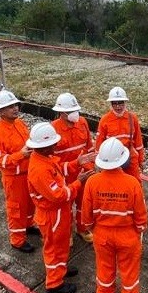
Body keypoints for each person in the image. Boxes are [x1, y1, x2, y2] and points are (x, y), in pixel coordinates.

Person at [82, 137, 148, 293]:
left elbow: (86, 214)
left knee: (104, 268)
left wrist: (90, 228)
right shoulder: (132, 183)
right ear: (123, 159)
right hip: (128, 236)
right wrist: (140, 229)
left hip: (102, 234)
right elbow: (141, 214)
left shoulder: (92, 182)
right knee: (129, 271)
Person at [27, 122, 95, 293]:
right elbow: (58, 195)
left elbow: (59, 171)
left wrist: (76, 162)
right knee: (54, 249)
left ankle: (61, 268)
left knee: (62, 245)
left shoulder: (45, 159)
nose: (56, 145)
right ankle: (54, 283)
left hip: (58, 213)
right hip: (52, 214)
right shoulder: (39, 169)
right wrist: (78, 182)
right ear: (44, 146)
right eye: (53, 143)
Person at [0, 89, 36, 252]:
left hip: (28, 174)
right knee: (16, 209)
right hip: (14, 179)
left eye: (15, 105)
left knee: (30, 204)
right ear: (1, 111)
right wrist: (20, 155)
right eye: (10, 106)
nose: (15, 108)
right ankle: (17, 239)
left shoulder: (20, 123)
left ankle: (28, 225)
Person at [51, 92, 96, 242]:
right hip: (65, 176)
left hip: (83, 172)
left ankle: (82, 229)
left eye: (75, 110)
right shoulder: (53, 129)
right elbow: (52, 160)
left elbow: (89, 148)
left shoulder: (82, 122)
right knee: (66, 207)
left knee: (84, 203)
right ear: (61, 113)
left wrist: (91, 168)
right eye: (70, 111)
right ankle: (67, 234)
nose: (74, 114)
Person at [95, 86, 145, 182]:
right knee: (113, 182)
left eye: (120, 103)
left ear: (125, 102)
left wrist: (140, 159)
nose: (118, 106)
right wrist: (98, 162)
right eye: (115, 103)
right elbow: (99, 142)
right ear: (111, 104)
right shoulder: (105, 120)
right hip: (112, 157)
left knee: (135, 181)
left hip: (130, 155)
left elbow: (138, 140)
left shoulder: (132, 118)